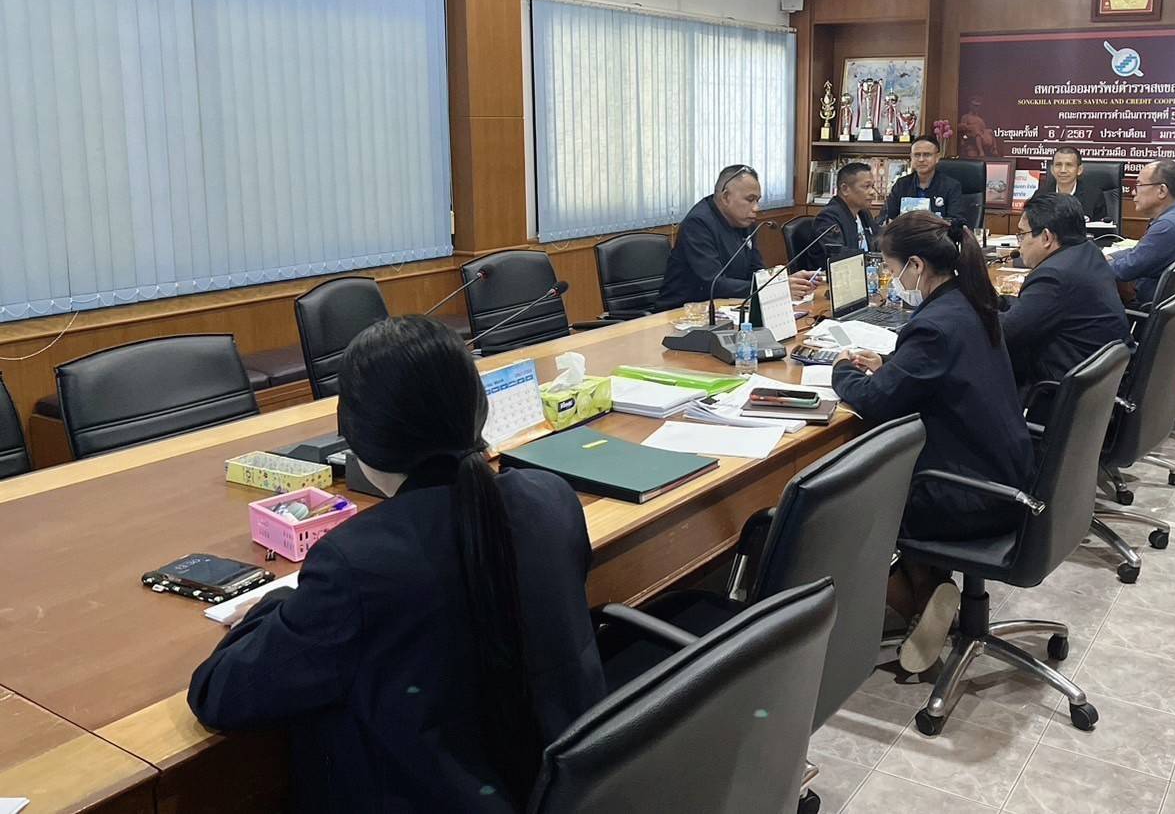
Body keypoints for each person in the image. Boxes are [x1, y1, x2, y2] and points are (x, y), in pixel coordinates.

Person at [189, 317, 605, 813]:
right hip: (559, 788)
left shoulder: (357, 564)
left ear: (355, 437)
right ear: (479, 409)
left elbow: (221, 694)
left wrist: (277, 602)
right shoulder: (550, 498)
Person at [830, 212, 1034, 674]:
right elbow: (938, 371)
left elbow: (875, 402)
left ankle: (916, 606)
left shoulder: (935, 325)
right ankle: (930, 595)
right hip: (1004, 475)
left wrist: (841, 369)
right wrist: (891, 363)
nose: (892, 279)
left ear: (916, 265)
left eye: (891, 268)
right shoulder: (970, 301)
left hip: (968, 494)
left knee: (844, 511)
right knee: (889, 483)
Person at [1002, 192, 1129, 391]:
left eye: (1022, 234)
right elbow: (1035, 310)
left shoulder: (1053, 276)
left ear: (1046, 237)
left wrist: (973, 313)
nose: (1020, 243)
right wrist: (998, 302)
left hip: (1064, 390)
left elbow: (1006, 332)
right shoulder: (1088, 251)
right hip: (1103, 380)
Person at [655, 164, 815, 311]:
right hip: (682, 312)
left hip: (727, 307)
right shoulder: (698, 224)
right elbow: (714, 284)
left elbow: (756, 271)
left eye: (757, 200)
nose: (756, 208)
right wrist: (774, 289)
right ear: (725, 197)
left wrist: (781, 281)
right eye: (750, 199)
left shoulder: (744, 220)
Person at [1108, 158, 1175, 306]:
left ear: (1161, 191)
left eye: (1139, 185)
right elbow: (1139, 252)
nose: (1133, 192)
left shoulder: (1168, 226)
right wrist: (1110, 256)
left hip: (1163, 313)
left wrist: (1093, 263)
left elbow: (1124, 270)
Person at [883, 134, 965, 222]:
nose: (921, 159)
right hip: (905, 230)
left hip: (937, 231)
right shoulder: (901, 184)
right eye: (917, 155)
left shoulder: (951, 186)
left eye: (927, 155)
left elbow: (956, 220)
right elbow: (885, 216)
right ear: (911, 157)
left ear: (937, 157)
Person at [810, 161, 878, 260]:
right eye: (866, 186)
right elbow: (838, 255)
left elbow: (878, 241)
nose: (872, 192)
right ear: (845, 189)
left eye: (873, 186)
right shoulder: (828, 218)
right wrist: (868, 257)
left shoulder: (863, 213)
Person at [1031, 145, 1112, 222]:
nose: (1063, 170)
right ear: (1052, 169)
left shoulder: (1094, 196)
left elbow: (1101, 228)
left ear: (1079, 170)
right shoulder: (1040, 196)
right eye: (1058, 165)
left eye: (1069, 165)